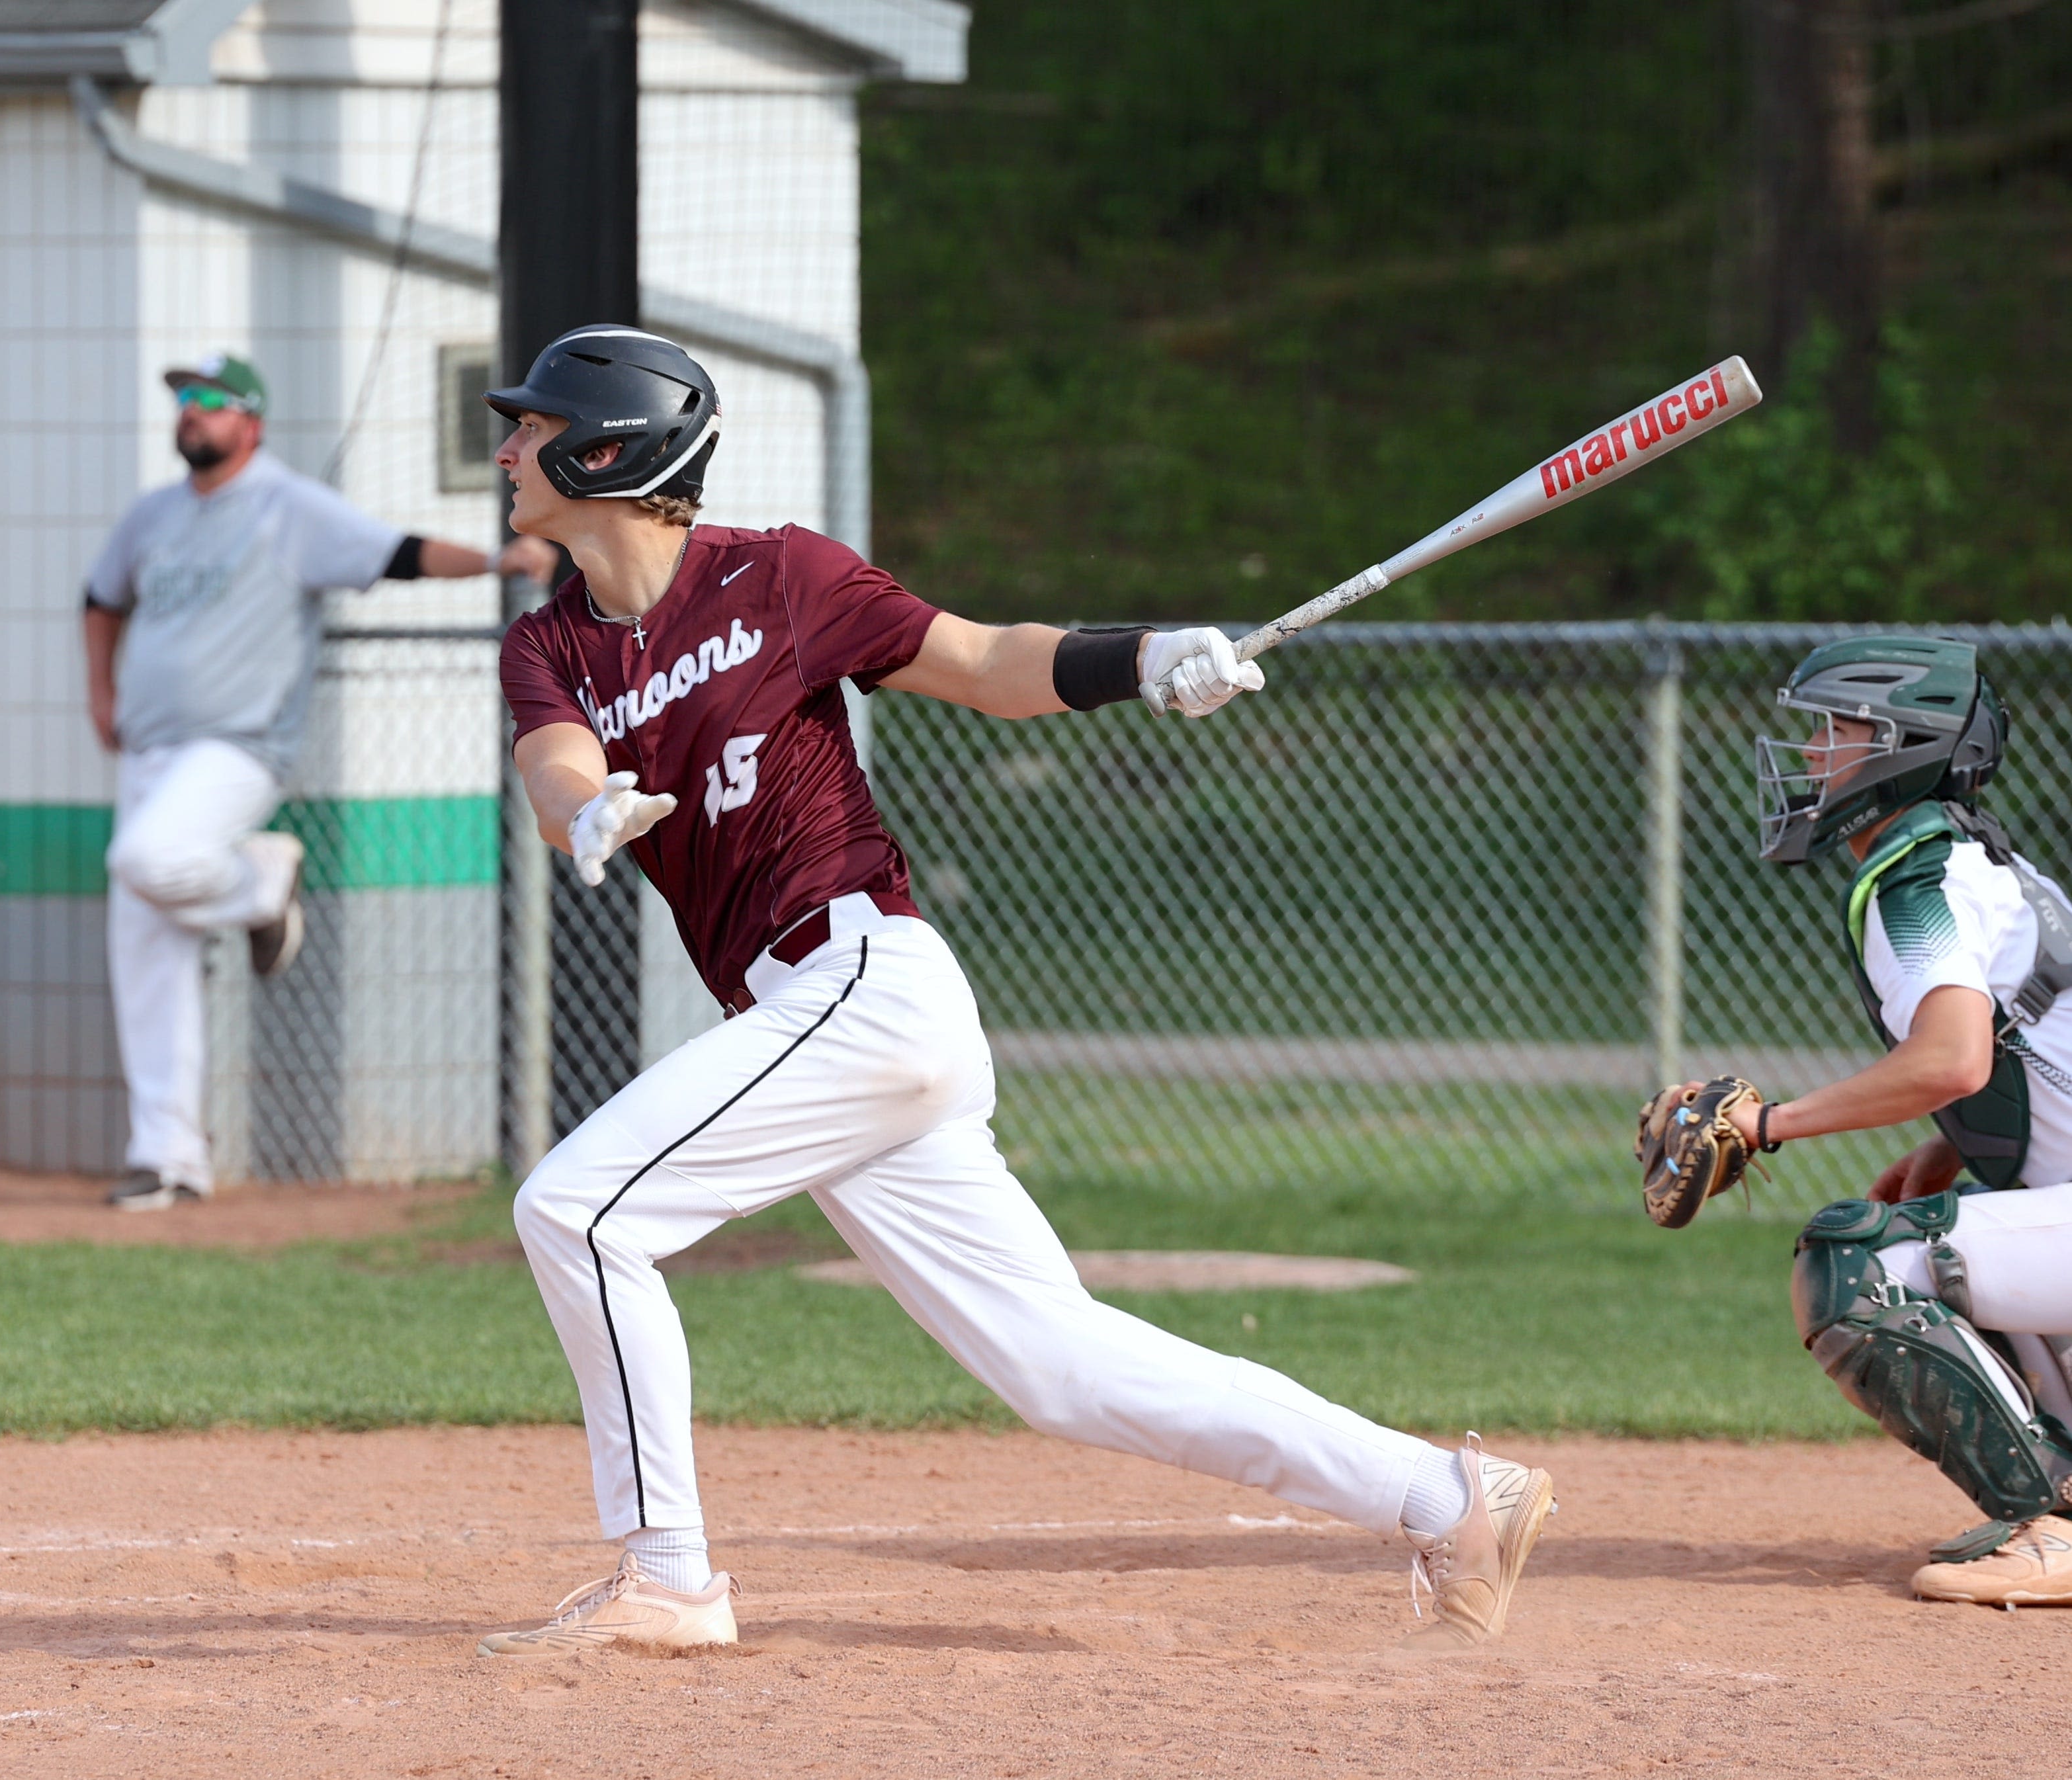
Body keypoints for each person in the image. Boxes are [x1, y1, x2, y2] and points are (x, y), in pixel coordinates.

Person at [475, 323, 1558, 1656]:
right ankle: (1442, 1496)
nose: (507, 446)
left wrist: (1146, 654)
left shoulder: (780, 577)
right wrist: (580, 815)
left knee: (575, 1208)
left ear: (606, 449)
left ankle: (669, 1574)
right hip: (817, 1029)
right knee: (1058, 1365)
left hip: (862, 979)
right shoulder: (552, 642)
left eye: (528, 427)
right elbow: (554, 765)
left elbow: (986, 662)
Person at [83, 352, 555, 1212]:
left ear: (250, 420)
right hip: (147, 750)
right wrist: (100, 688)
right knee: (145, 959)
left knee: (146, 859)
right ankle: (169, 1157)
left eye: (210, 400)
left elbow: (394, 552)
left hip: (235, 746)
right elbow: (100, 596)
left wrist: (496, 562)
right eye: (184, 400)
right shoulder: (151, 514)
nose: (191, 411)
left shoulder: (284, 504)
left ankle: (263, 880)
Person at [1655, 636, 2072, 1607]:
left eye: (1830, 729)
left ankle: (2051, 1520)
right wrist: (1953, 1139)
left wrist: (1767, 1124)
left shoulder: (1917, 883)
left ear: (1898, 745)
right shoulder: (1969, 859)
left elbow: (1952, 1057)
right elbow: (2018, 1054)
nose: (1805, 753)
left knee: (1857, 1261)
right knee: (1938, 1234)